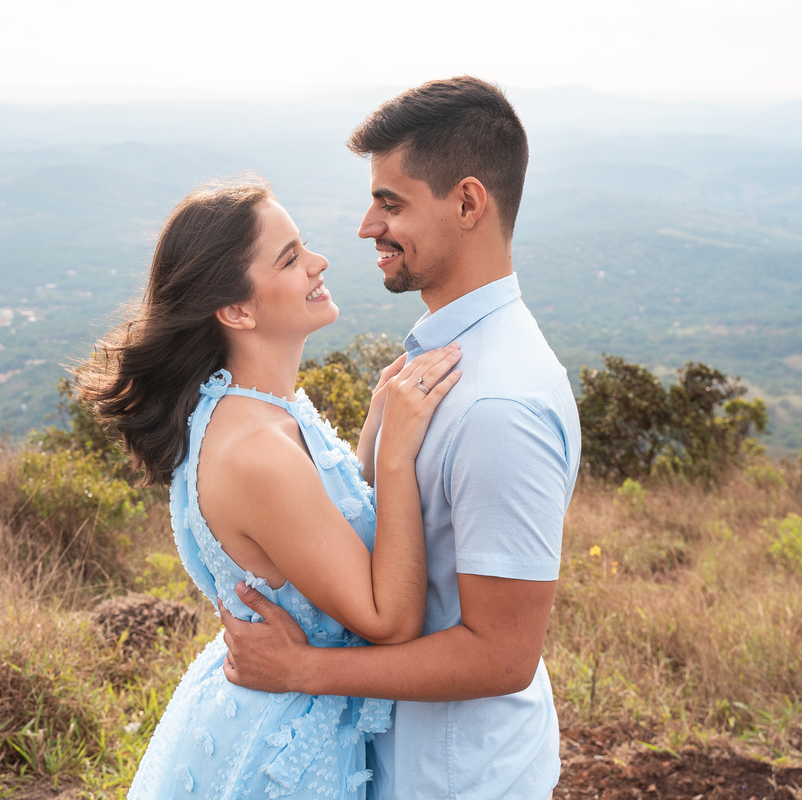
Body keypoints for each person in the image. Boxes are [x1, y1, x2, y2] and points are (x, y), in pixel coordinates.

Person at [220, 77, 582, 799]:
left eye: (391, 203)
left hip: (454, 776)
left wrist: (304, 672)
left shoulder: (496, 405)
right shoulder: (433, 366)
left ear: (468, 203)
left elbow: (502, 655)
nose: (365, 226)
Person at [77, 178, 463, 799]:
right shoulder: (255, 449)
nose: (319, 261)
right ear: (237, 310)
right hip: (279, 756)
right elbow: (388, 621)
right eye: (289, 257)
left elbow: (325, 529)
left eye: (302, 244)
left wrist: (370, 435)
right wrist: (395, 460)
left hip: (283, 720)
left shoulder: (262, 407)